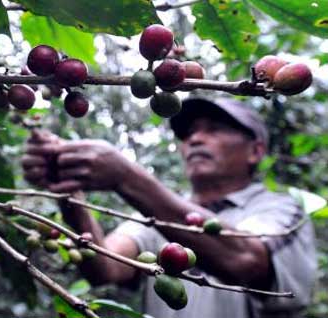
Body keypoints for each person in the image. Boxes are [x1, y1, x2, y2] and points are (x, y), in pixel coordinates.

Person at [21, 97, 317, 318]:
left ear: (256, 151)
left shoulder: (281, 211)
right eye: (188, 134)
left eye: (213, 130)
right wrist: (68, 191)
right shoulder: (157, 216)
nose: (195, 139)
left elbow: (245, 260)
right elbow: (105, 266)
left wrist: (127, 177)